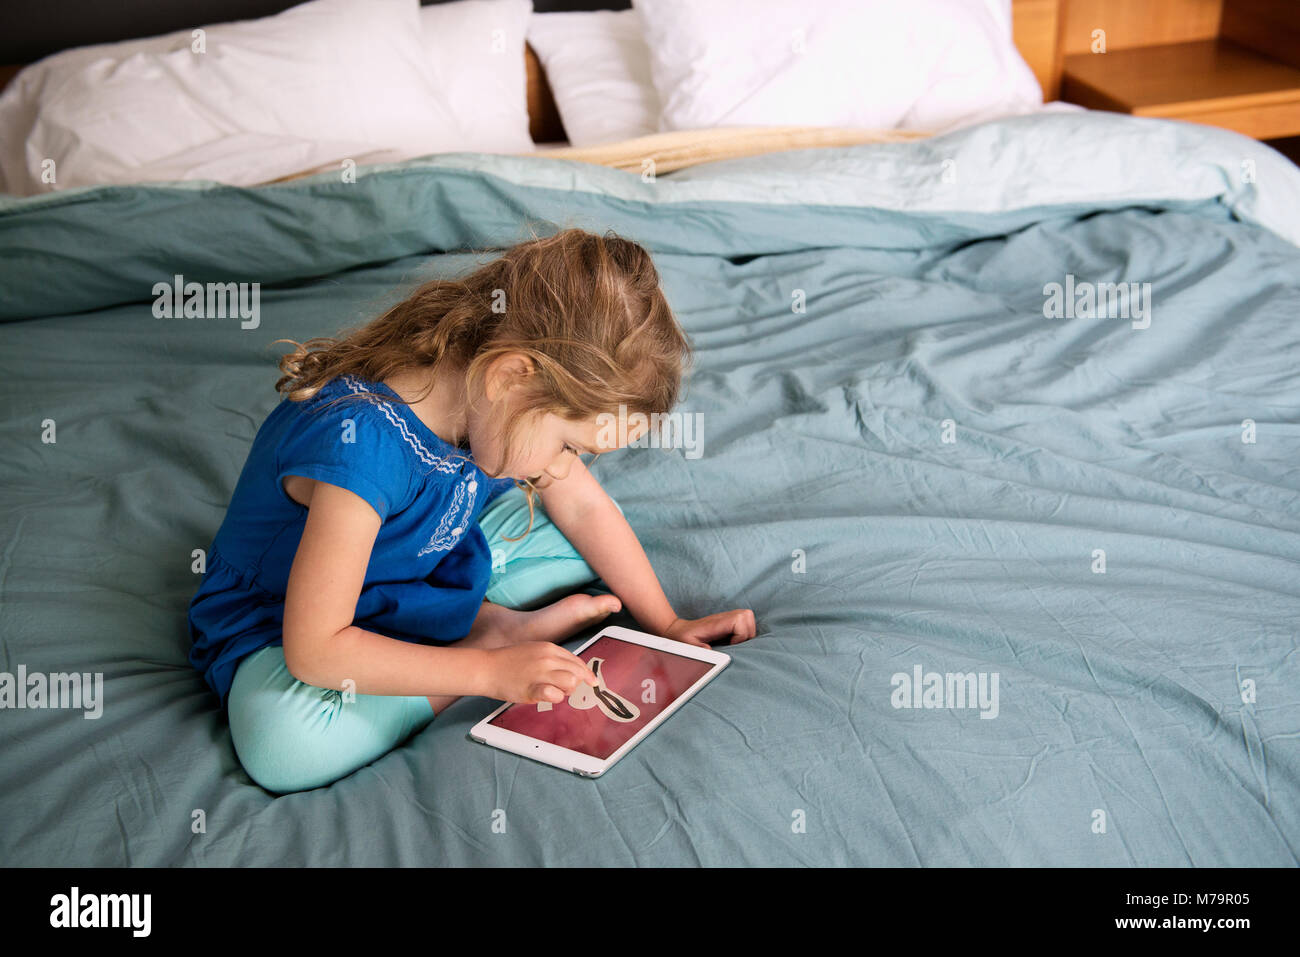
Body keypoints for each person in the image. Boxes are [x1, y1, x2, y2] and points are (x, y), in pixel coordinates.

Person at [187, 228, 757, 793]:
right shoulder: (360, 447)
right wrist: (487, 671)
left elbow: (583, 508)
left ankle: (483, 620)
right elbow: (313, 651)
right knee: (287, 749)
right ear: (513, 375)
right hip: (287, 619)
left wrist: (668, 623)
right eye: (570, 446)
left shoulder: (489, 398)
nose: (563, 468)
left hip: (415, 567)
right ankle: (483, 636)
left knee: (587, 536)